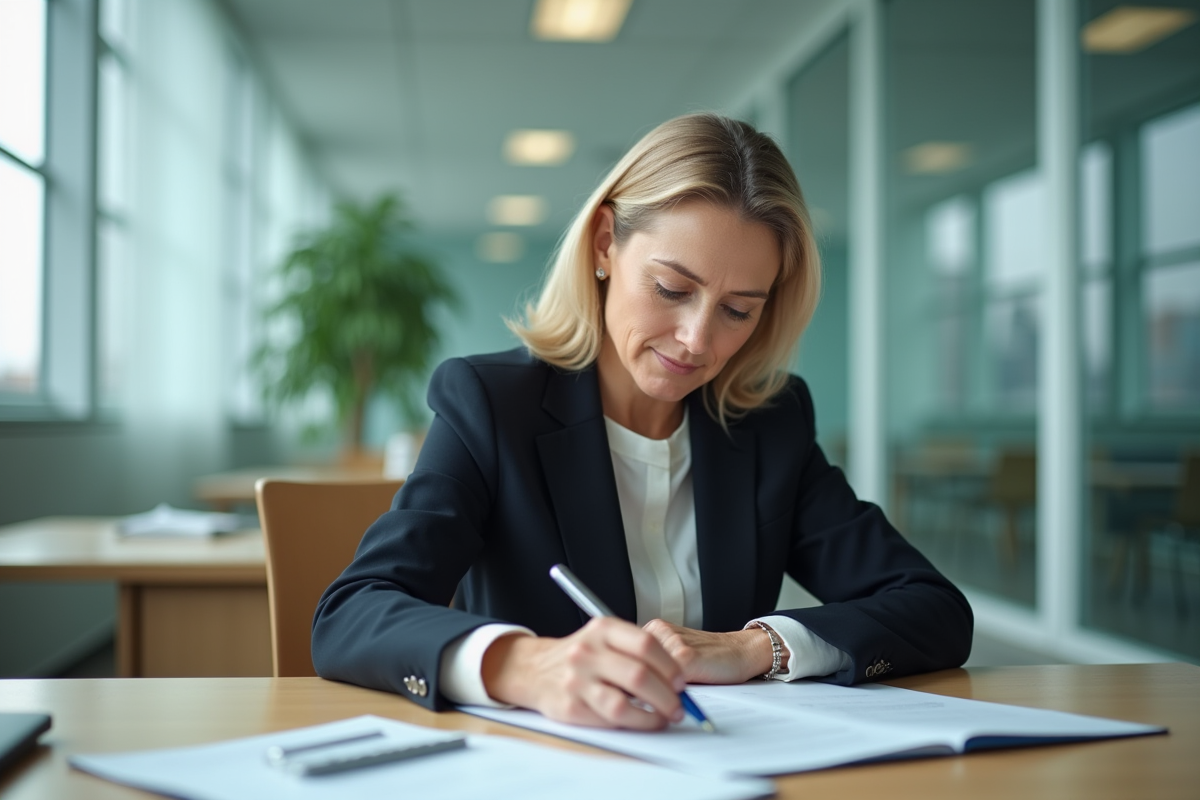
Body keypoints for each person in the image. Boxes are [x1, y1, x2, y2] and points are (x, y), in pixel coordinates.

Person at [312, 113, 972, 731]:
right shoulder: (491, 403)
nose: (696, 338)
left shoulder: (769, 424)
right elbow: (351, 612)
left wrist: (755, 648)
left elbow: (933, 608)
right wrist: (527, 666)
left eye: (738, 310)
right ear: (605, 244)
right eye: (672, 289)